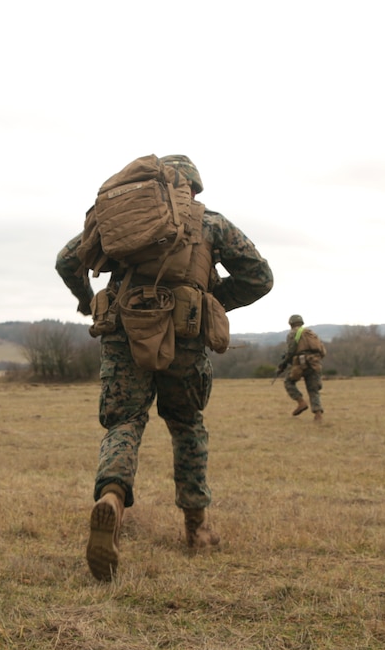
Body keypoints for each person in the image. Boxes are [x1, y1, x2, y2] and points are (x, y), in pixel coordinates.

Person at [56, 154, 273, 581]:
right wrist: (206, 298)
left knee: (125, 423)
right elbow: (259, 277)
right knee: (187, 424)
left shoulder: (120, 219)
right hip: (186, 336)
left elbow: (67, 261)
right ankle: (197, 529)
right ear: (193, 186)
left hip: (124, 332)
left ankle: (113, 500)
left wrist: (86, 300)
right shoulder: (210, 223)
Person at [278, 314, 327, 422]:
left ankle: (301, 402)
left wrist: (284, 364)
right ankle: (318, 415)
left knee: (288, 382)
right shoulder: (311, 333)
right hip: (314, 363)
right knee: (313, 389)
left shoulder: (292, 334)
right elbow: (323, 351)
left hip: (300, 363)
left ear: (291, 324)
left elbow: (291, 351)